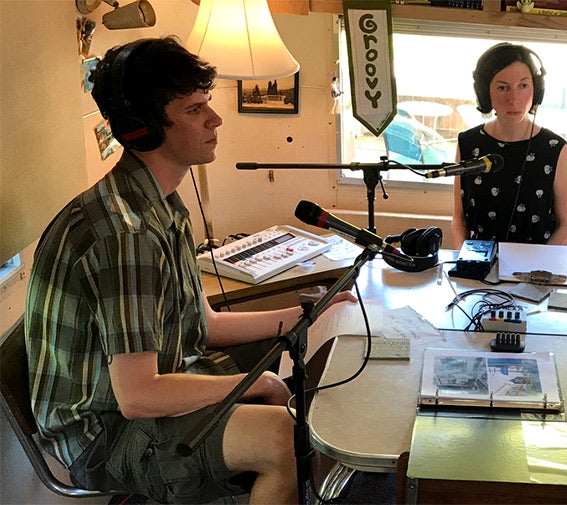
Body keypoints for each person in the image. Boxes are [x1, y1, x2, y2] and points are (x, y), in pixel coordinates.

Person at [24, 37, 356, 504]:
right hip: (102, 432)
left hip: (149, 390)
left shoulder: (162, 204)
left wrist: (309, 314)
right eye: (196, 108)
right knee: (283, 436)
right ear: (143, 129)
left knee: (303, 367)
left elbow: (206, 325)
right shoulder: (127, 235)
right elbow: (137, 396)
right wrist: (256, 383)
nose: (215, 119)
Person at [451, 42, 567, 248]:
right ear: (485, 92)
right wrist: (464, 264)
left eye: (523, 86)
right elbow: (459, 220)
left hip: (536, 270)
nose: (514, 99)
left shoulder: (555, 149)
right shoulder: (468, 143)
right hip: (479, 268)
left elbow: (566, 226)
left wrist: (534, 273)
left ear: (536, 90)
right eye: (502, 87)